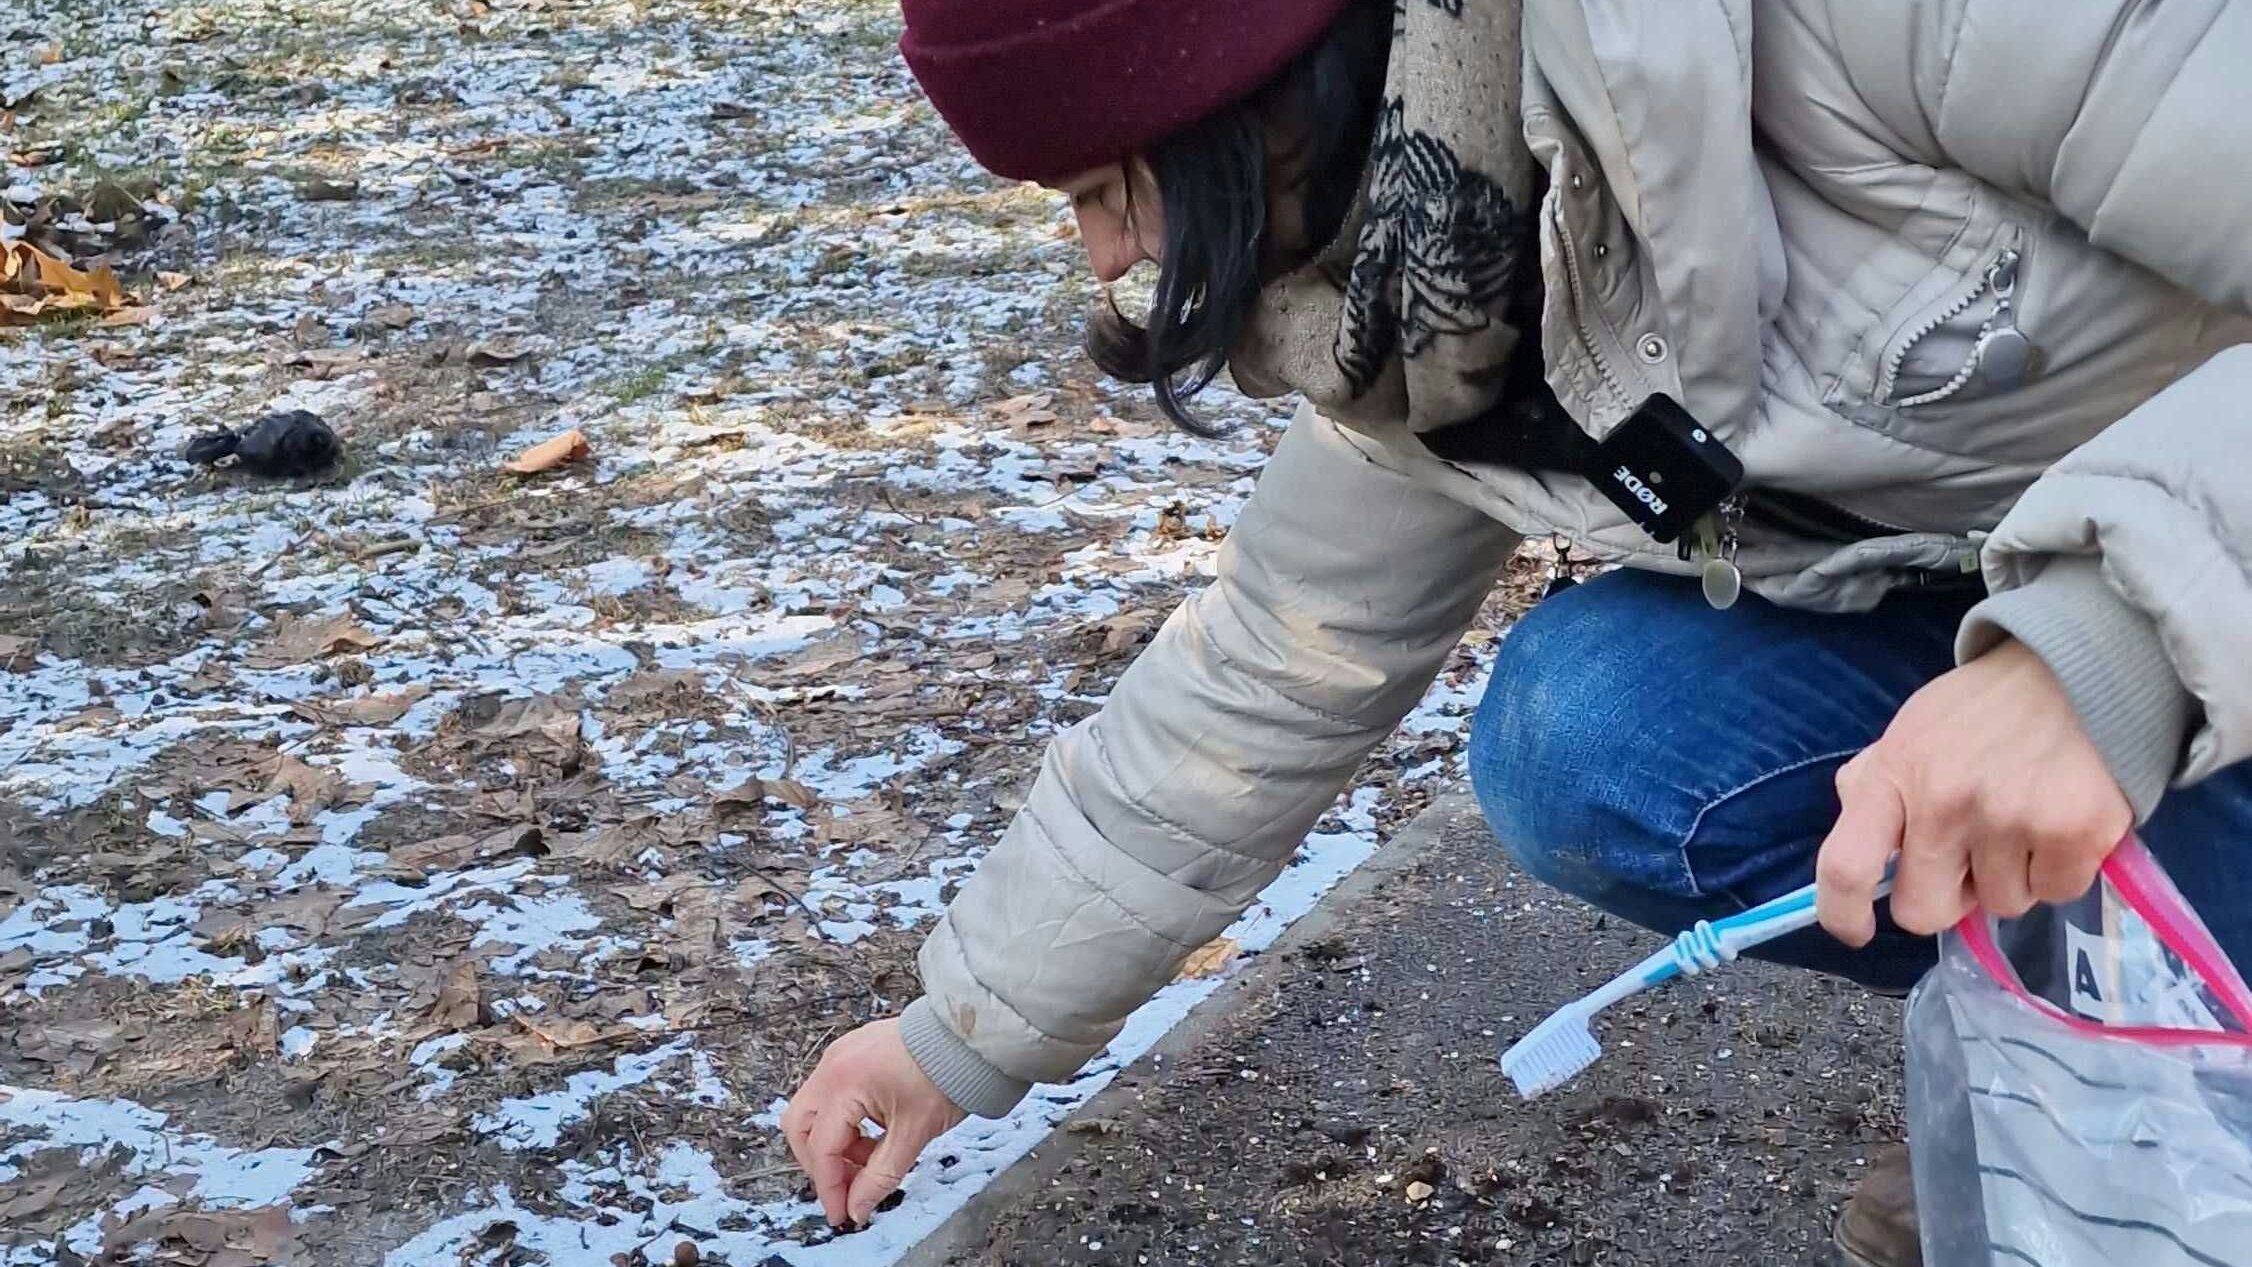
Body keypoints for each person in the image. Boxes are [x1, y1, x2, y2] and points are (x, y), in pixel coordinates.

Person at [783, 2, 2252, 1262]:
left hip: (2198, 578)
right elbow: (1272, 666)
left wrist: (2107, 641)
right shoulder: (1424, 279)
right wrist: (953, 1037)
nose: (1108, 255)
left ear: (1264, 83)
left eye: (1110, 183)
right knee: (1589, 729)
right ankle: (2068, 1056)